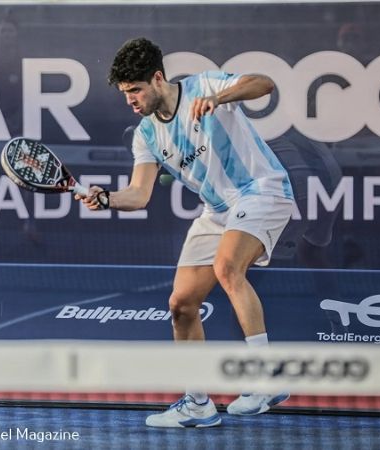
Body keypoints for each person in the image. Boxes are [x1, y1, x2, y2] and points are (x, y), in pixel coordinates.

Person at [76, 37, 295, 428]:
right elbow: (139, 195)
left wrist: (222, 96)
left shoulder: (203, 86)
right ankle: (197, 403)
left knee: (228, 268)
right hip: (217, 212)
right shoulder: (146, 135)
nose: (130, 100)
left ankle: (267, 375)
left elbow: (264, 83)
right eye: (125, 93)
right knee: (181, 304)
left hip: (262, 190)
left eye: (135, 90)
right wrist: (107, 199)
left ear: (157, 79)